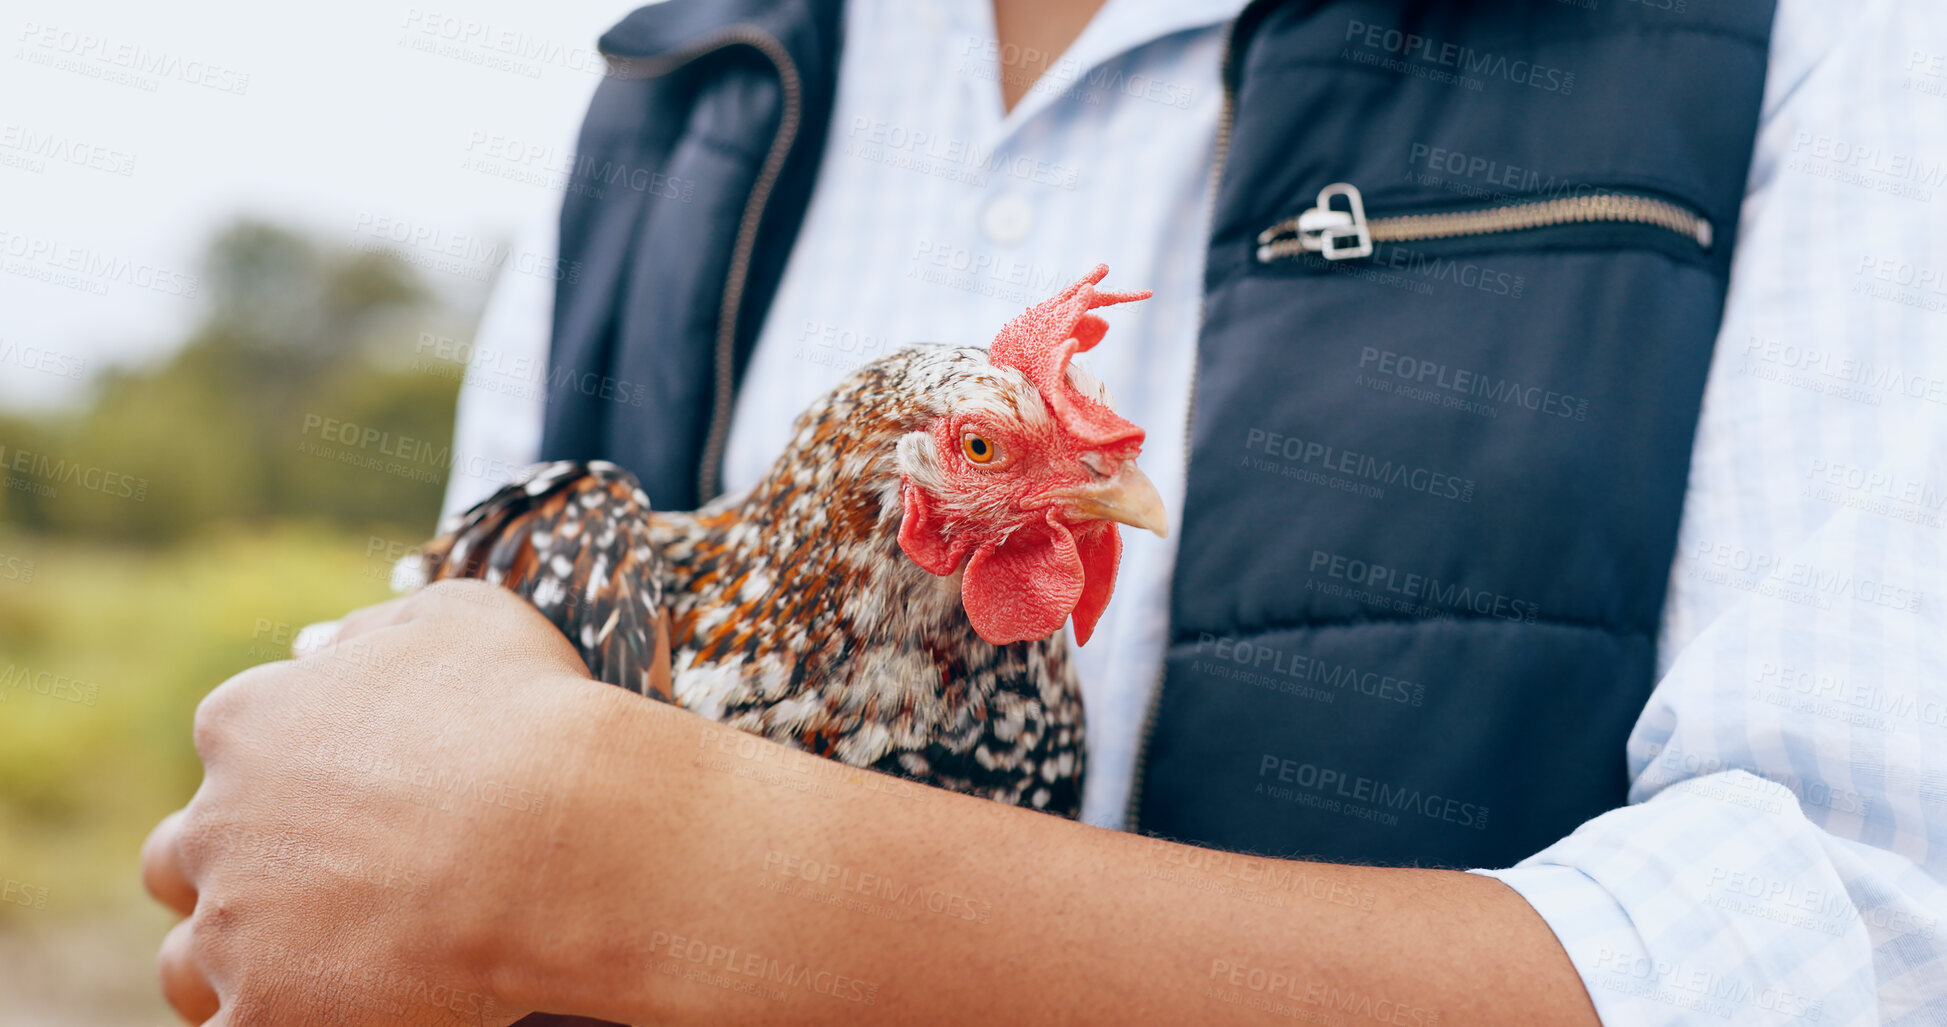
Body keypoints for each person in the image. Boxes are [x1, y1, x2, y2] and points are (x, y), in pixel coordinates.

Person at [142, 0, 1947, 1023]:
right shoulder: (685, 76)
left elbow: (1858, 938)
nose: (1096, 483)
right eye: (1013, 460)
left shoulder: (1808, 41)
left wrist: (622, 857)